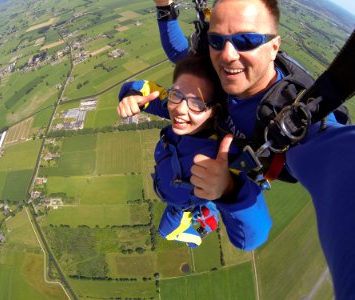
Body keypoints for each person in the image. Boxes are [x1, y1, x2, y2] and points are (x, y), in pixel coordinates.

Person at [144, 0, 355, 298]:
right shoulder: (220, 62)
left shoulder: (299, 125)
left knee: (176, 214)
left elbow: (251, 238)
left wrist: (229, 190)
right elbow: (183, 57)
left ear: (274, 46)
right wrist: (165, 9)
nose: (228, 54)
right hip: (215, 156)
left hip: (232, 176)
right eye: (217, 40)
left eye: (247, 41)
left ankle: (204, 211)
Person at [118, 55, 272, 250]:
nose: (180, 109)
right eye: (176, 95)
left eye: (197, 104)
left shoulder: (222, 155)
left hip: (182, 206)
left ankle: (198, 235)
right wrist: (130, 94)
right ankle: (208, 208)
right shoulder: (179, 109)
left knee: (167, 233)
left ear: (214, 110)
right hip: (177, 191)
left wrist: (228, 189)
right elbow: (145, 89)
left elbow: (252, 238)